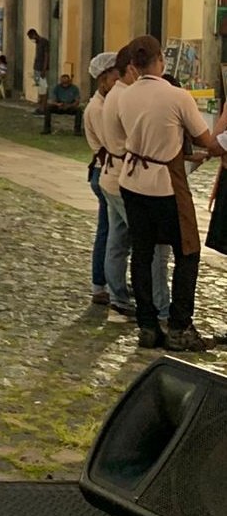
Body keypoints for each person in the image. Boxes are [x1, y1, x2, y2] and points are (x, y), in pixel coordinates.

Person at [116, 35, 223, 351]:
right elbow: (206, 140)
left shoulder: (124, 96)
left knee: (143, 252)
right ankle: (178, 324)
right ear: (160, 60)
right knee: (187, 251)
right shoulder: (177, 96)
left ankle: (147, 325)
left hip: (133, 181)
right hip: (165, 183)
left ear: (134, 65)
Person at [98, 45, 171, 327]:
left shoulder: (114, 95)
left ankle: (118, 295)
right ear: (131, 69)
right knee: (148, 245)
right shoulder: (125, 96)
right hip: (123, 178)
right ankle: (153, 304)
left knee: (118, 239)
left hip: (113, 174)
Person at [83, 52, 119, 306]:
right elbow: (110, 142)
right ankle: (100, 283)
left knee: (112, 230)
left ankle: (108, 280)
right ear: (104, 78)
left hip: (104, 169)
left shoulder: (106, 104)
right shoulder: (98, 108)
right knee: (108, 231)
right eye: (116, 77)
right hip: (103, 170)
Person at [27, 28, 50, 113]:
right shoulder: (37, 43)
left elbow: (46, 55)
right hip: (36, 67)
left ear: (34, 34)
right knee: (40, 88)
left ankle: (43, 107)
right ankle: (40, 106)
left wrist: (44, 69)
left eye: (31, 37)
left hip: (41, 68)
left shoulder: (44, 42)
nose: (31, 39)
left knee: (43, 88)